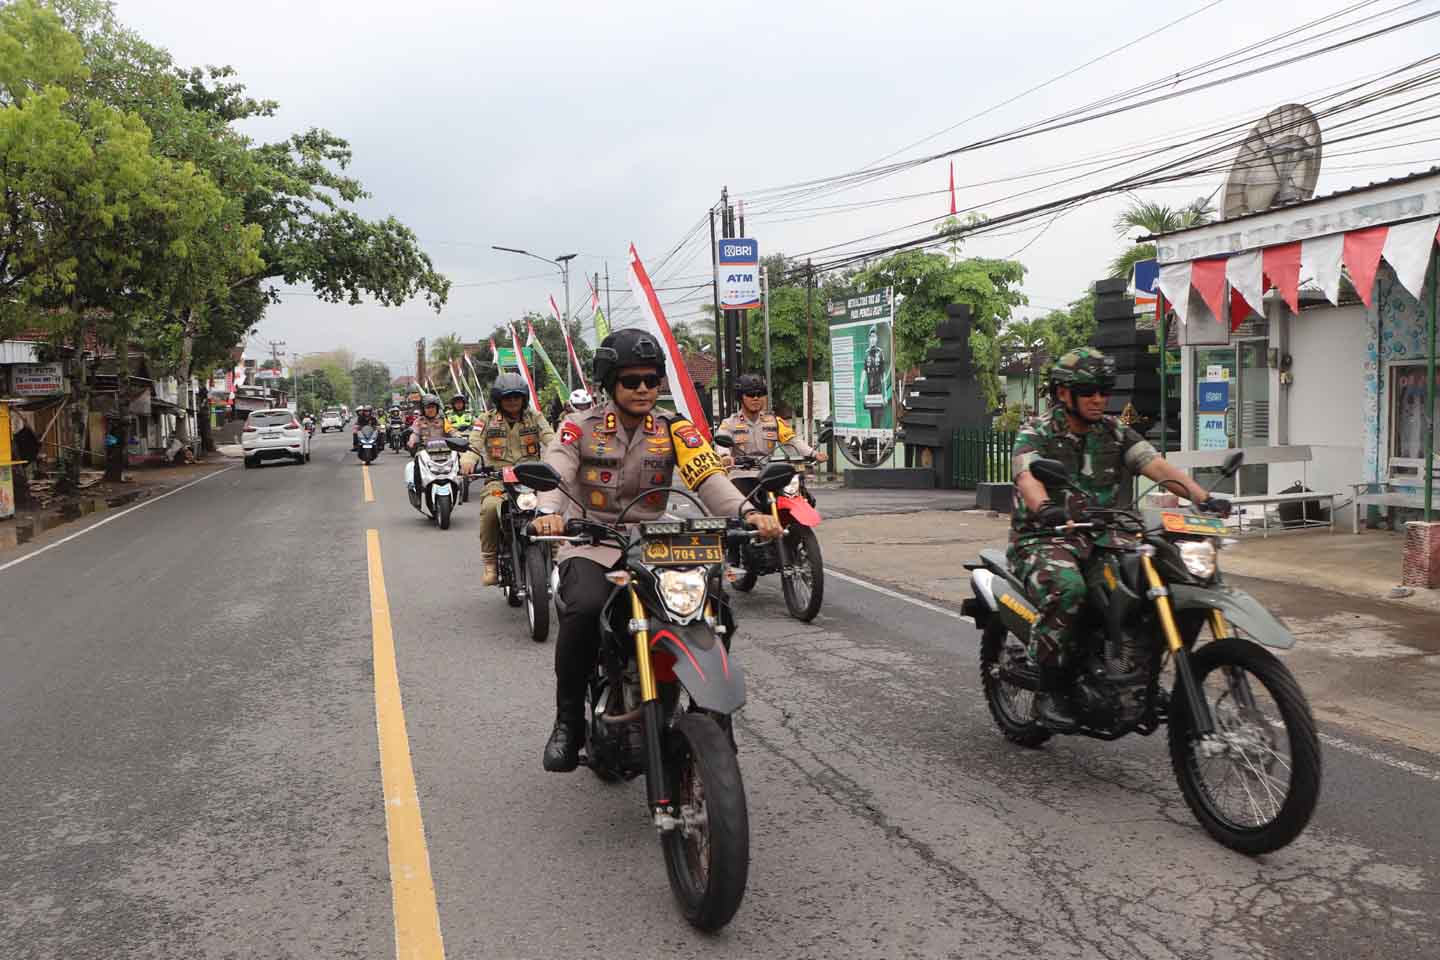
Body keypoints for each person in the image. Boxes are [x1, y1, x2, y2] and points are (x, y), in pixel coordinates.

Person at [531, 329, 782, 772]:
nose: (644, 388)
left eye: (652, 379)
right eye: (631, 380)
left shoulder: (675, 429)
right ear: (610, 383)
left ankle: (712, 718)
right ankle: (567, 721)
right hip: (594, 541)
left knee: (714, 607)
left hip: (657, 543)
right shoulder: (580, 426)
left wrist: (749, 512)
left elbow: (709, 477)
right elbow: (556, 469)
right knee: (584, 609)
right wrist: (548, 510)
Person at [1010, 347, 1226, 731]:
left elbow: (1155, 465)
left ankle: (1137, 672)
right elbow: (1028, 476)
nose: (1098, 398)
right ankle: (1049, 688)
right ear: (1063, 393)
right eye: (1089, 389)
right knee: (1069, 589)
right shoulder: (1037, 432)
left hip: (1110, 535)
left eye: (1104, 390)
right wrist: (1044, 507)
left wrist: (1201, 496)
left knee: (1161, 578)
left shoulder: (1113, 430)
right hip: (1047, 536)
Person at [461, 373, 554, 585]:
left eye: (516, 397)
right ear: (498, 399)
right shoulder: (486, 419)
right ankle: (490, 563)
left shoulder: (535, 417)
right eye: (507, 397)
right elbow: (474, 443)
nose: (512, 401)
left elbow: (552, 439)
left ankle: (559, 558)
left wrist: (561, 457)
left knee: (552, 509)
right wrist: (468, 460)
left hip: (532, 479)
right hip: (498, 480)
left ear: (524, 398)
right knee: (490, 508)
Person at [715, 373, 825, 496]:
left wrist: (813, 454)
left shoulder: (774, 421)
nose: (756, 398)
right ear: (740, 397)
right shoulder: (729, 423)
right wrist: (725, 457)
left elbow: (792, 441)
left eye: (760, 394)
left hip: (770, 474)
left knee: (802, 497)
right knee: (740, 500)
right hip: (742, 475)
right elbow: (722, 445)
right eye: (750, 394)